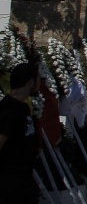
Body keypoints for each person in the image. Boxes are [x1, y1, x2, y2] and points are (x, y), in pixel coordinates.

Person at [0, 63, 41, 204]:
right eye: (38, 79)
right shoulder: (8, 111)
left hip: (24, 182)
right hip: (9, 186)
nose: (40, 83)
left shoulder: (23, 107)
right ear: (30, 82)